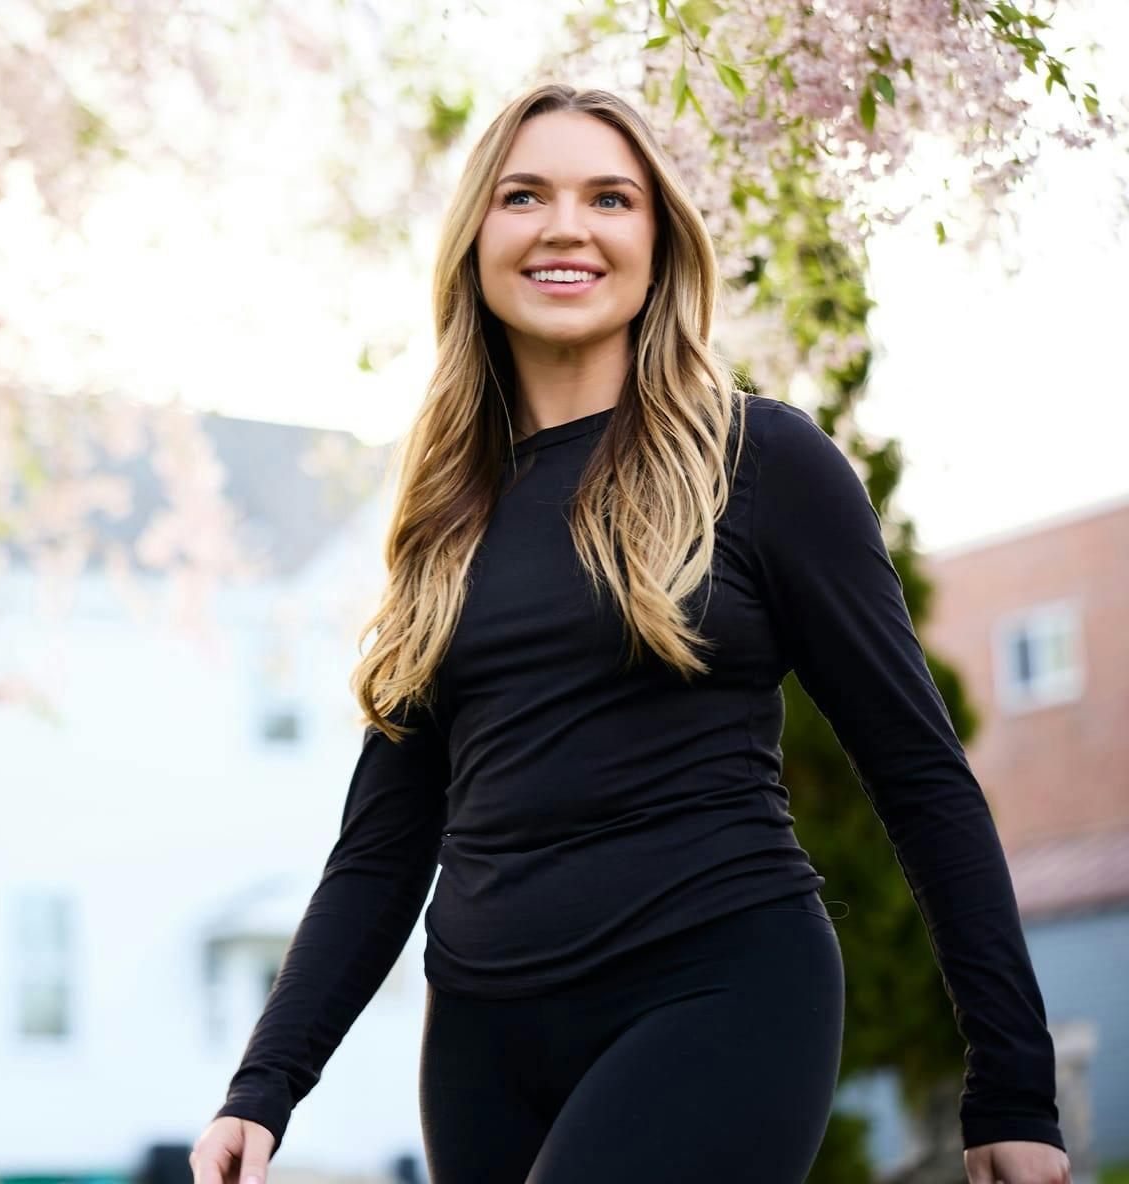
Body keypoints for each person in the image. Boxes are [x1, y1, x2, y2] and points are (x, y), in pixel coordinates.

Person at [188, 83, 1071, 1184]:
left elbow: (921, 775)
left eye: (610, 197)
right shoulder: (444, 514)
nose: (567, 225)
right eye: (525, 196)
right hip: (482, 1037)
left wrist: (1014, 1084)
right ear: (476, 241)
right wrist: (264, 1085)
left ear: (658, 242)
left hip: (719, 988)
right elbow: (382, 842)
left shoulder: (761, 464)